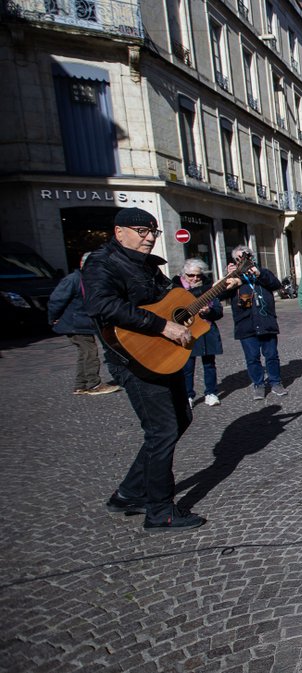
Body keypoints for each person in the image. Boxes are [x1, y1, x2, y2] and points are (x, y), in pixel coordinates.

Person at [83, 207, 205, 531]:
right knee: (162, 430)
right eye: (142, 230)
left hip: (162, 356)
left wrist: (198, 301)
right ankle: (160, 512)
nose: (150, 237)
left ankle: (129, 493)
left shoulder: (149, 266)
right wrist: (162, 327)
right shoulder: (101, 263)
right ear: (119, 231)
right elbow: (102, 305)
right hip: (132, 358)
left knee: (180, 419)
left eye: (153, 231)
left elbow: (169, 299)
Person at [47, 252, 120, 396]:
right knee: (89, 352)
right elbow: (56, 300)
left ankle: (81, 385)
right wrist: (53, 318)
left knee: (84, 353)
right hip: (75, 324)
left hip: (83, 323)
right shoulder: (73, 279)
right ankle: (94, 384)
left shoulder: (89, 279)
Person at [225, 245, 285, 400]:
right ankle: (258, 384)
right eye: (239, 259)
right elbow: (221, 294)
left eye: (246, 257)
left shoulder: (262, 273)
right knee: (252, 357)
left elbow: (276, 285)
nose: (243, 261)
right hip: (245, 324)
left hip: (266, 321)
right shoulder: (233, 277)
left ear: (252, 258)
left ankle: (276, 382)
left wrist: (258, 274)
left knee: (271, 355)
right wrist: (227, 277)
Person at [172, 258, 224, 407]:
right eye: (191, 275)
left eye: (198, 276)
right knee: (187, 367)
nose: (195, 279)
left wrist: (209, 311)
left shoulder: (209, 289)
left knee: (209, 364)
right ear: (183, 274)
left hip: (206, 330)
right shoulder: (176, 289)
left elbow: (218, 311)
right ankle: (188, 395)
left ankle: (211, 393)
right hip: (187, 331)